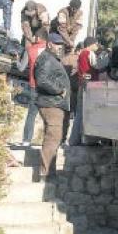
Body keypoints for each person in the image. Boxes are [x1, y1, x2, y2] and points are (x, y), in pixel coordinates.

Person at [33, 33, 72, 180]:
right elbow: (42, 80)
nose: (60, 47)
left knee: (54, 138)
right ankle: (46, 174)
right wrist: (59, 90)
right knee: (53, 138)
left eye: (61, 44)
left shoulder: (51, 58)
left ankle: (49, 172)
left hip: (54, 103)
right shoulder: (47, 58)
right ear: (49, 44)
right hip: (51, 104)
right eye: (57, 44)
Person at [18, 28, 49, 147]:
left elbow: (21, 68)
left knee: (31, 114)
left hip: (34, 86)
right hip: (48, 88)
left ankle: (26, 141)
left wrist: (16, 60)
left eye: (35, 37)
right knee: (48, 115)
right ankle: (48, 141)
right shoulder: (50, 49)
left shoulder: (30, 50)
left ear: (38, 38)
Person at [70, 36, 103, 145]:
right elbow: (97, 66)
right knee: (89, 114)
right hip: (90, 86)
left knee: (79, 114)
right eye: (96, 44)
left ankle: (73, 140)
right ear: (91, 44)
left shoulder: (81, 54)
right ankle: (87, 140)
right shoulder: (90, 54)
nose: (97, 46)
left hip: (81, 84)